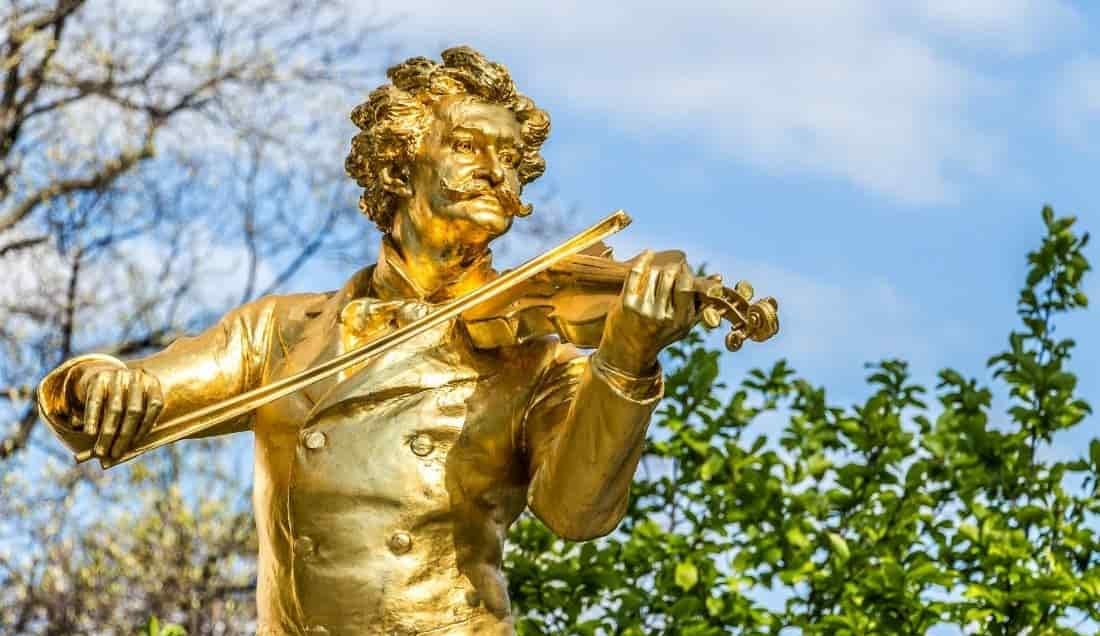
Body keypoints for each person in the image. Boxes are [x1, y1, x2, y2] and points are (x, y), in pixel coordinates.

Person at [36, 46, 697, 635]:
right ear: (398, 166)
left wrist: (628, 357)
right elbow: (134, 398)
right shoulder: (279, 332)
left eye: (511, 158)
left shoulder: (537, 360)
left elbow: (576, 512)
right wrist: (99, 384)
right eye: (468, 146)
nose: (499, 172)